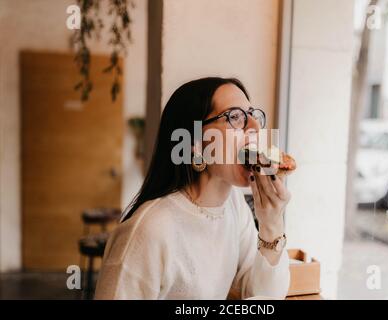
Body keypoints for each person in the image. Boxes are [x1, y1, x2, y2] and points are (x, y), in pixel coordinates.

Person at [94, 77, 291, 299]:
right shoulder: (149, 231)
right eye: (235, 117)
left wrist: (272, 223)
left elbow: (264, 296)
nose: (255, 127)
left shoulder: (234, 204)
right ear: (196, 143)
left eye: (254, 116)